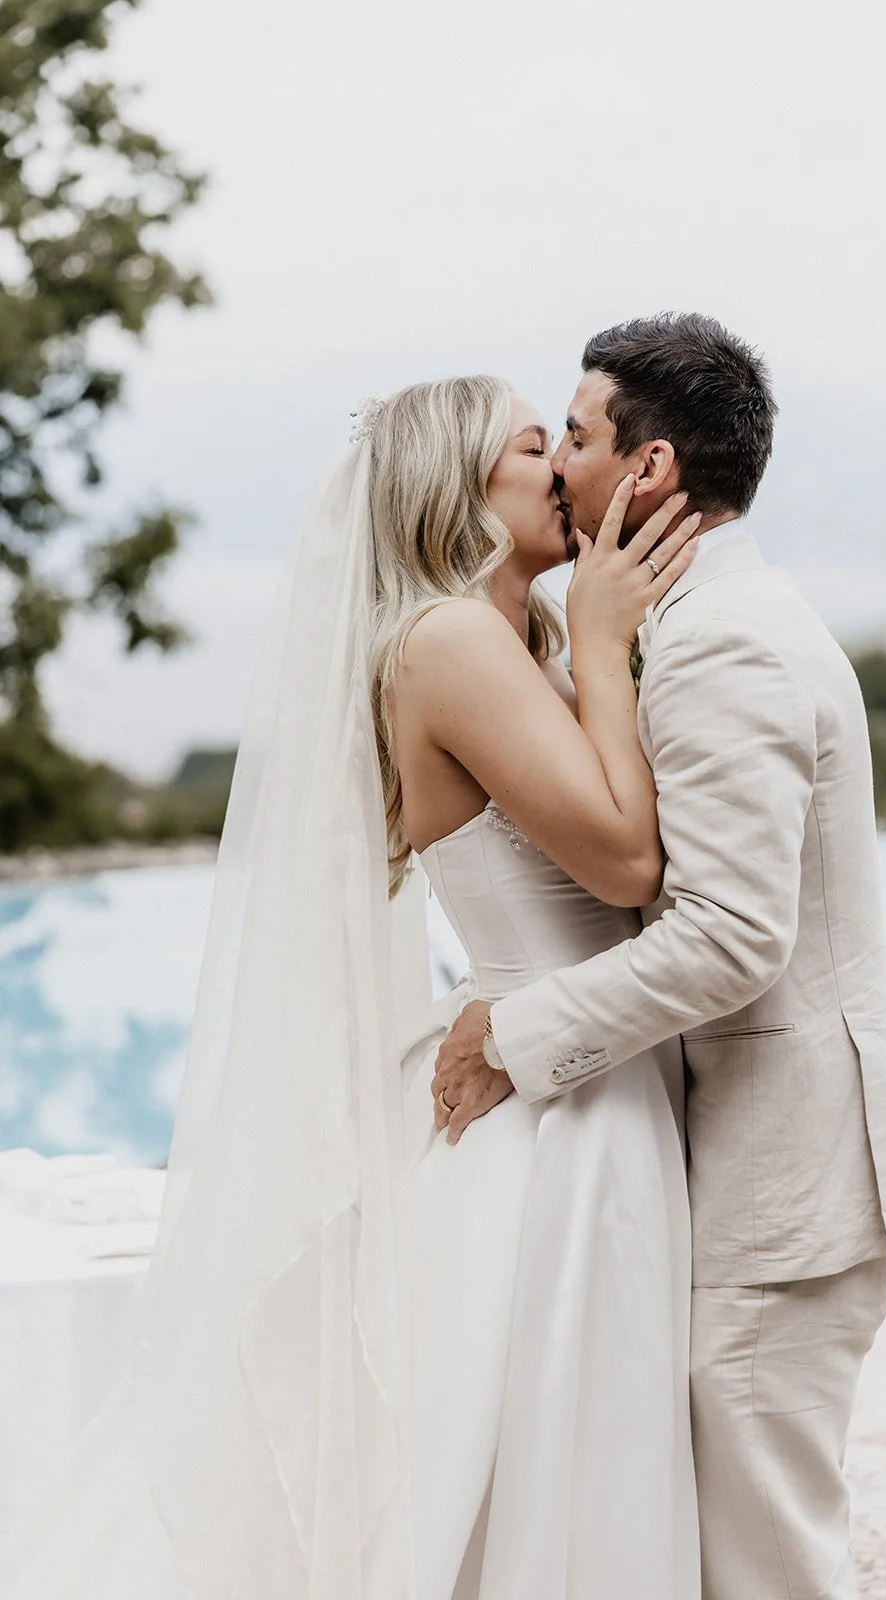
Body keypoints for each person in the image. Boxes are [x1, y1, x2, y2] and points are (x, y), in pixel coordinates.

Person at [0, 372, 704, 1598]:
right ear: (456, 489)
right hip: (545, 1109)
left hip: (578, 1062)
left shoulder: (517, 641)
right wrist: (602, 643)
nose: (561, 467)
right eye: (532, 446)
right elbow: (624, 860)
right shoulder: (448, 641)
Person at [434, 313, 886, 1600]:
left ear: (649, 465)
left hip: (789, 1184)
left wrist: (512, 1032)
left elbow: (729, 935)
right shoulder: (701, 618)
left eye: (573, 435)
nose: (559, 464)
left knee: (765, 1563)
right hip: (749, 1167)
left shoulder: (723, 639)